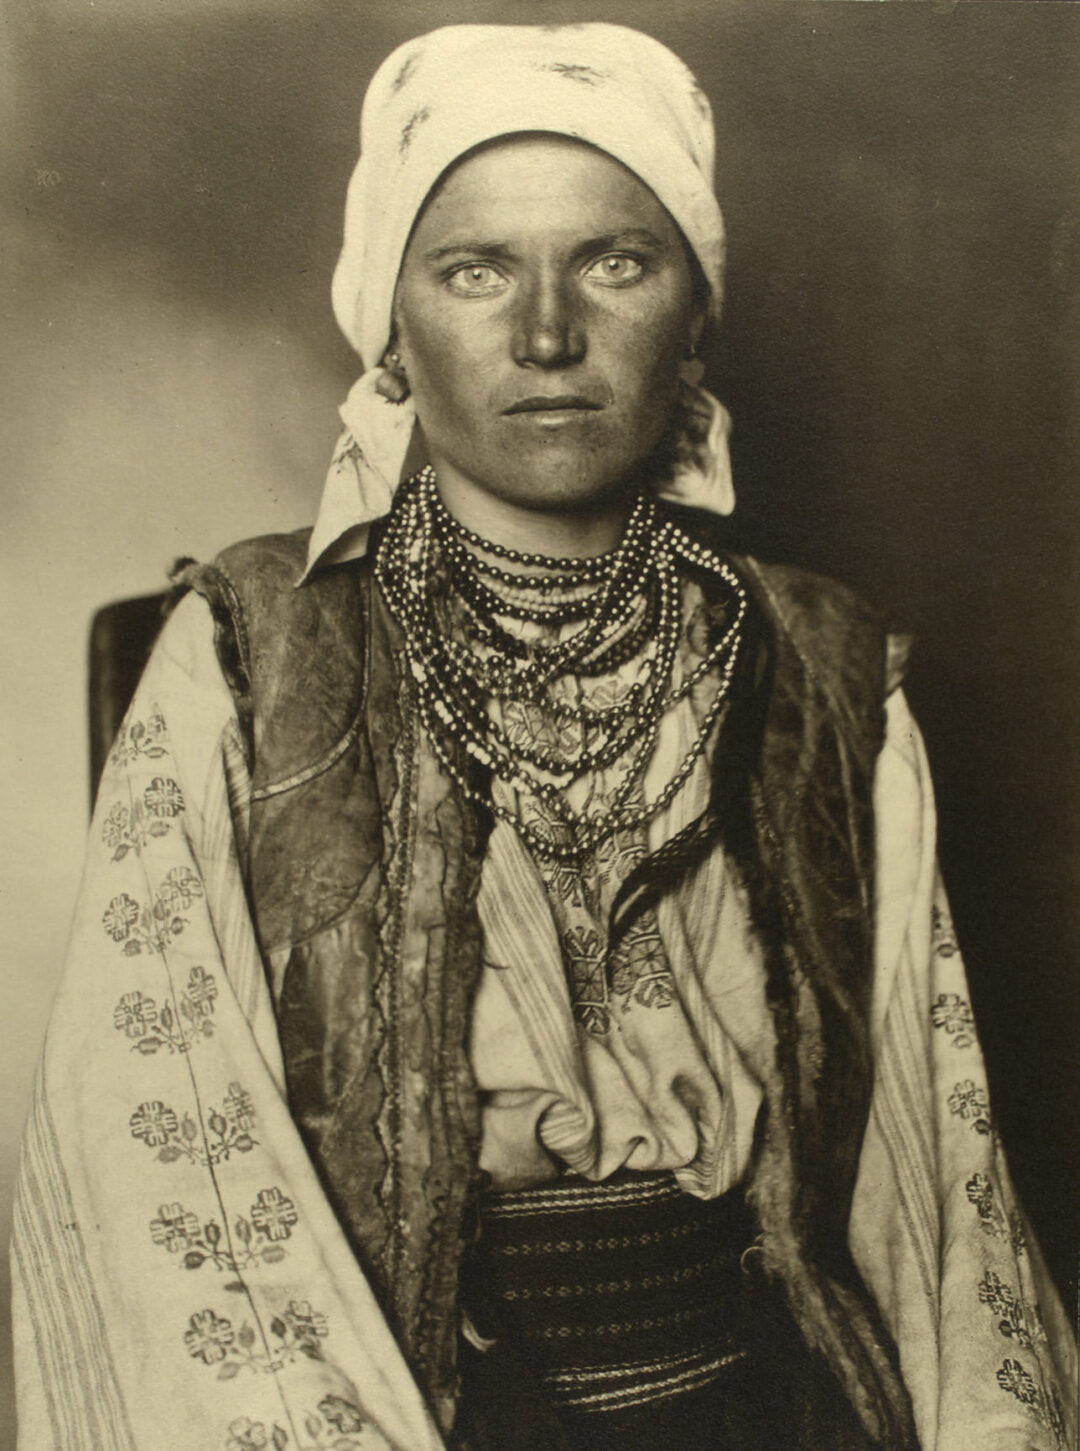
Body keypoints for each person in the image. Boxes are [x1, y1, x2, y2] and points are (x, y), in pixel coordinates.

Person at [11, 23, 1075, 1451]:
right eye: (475, 270)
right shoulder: (252, 651)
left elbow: (936, 1185)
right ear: (392, 334)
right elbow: (165, 1175)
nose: (547, 335)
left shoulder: (822, 673)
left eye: (614, 262)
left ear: (694, 315)